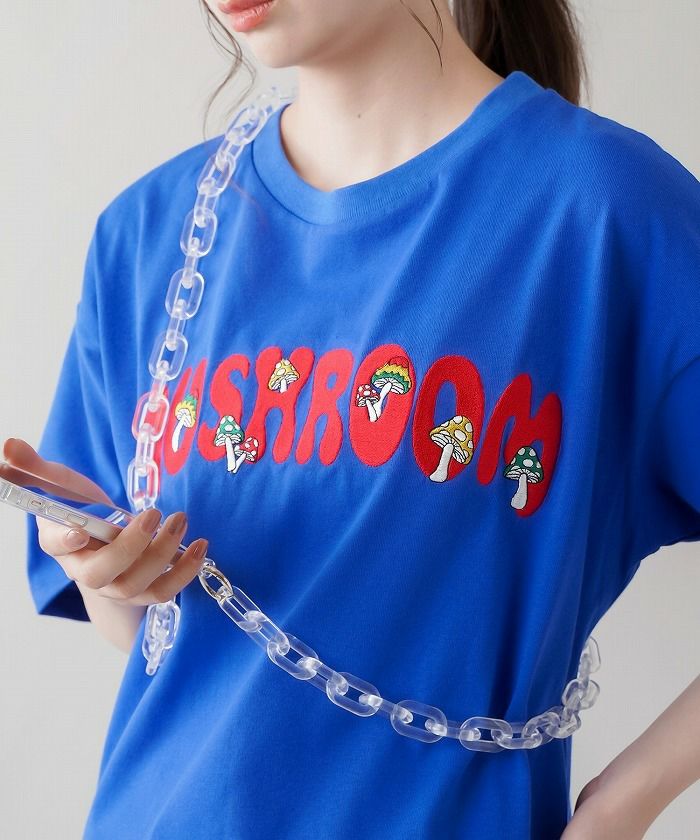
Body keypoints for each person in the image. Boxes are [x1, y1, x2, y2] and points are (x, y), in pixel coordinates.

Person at [9, 0, 700, 837]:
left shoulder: (610, 214)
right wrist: (103, 568)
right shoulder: (147, 234)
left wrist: (625, 804)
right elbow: (169, 652)